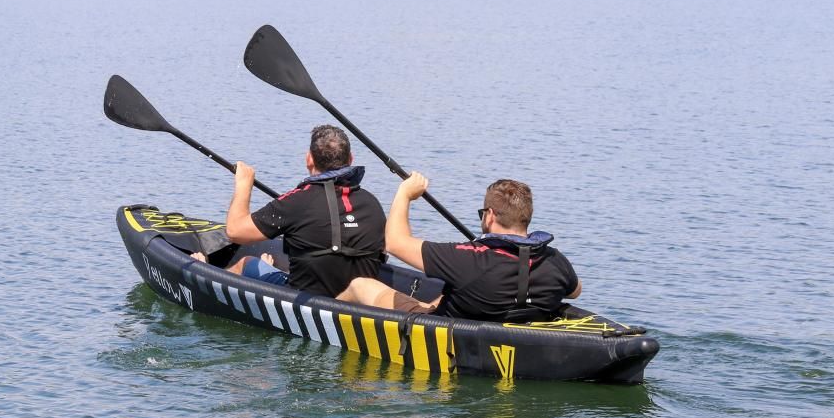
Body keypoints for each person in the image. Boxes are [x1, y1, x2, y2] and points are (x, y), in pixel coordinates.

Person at [340, 174, 580, 322]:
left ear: (490, 216)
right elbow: (574, 291)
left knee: (360, 284)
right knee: (442, 297)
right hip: (505, 324)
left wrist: (405, 193)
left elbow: (394, 243)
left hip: (448, 331)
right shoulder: (554, 260)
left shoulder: (468, 259)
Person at [220, 125, 386, 298]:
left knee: (246, 263)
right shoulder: (372, 203)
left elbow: (235, 231)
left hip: (306, 301)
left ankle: (206, 280)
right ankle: (269, 269)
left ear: (309, 159)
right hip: (358, 304)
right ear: (351, 159)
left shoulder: (296, 201)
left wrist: (244, 185)